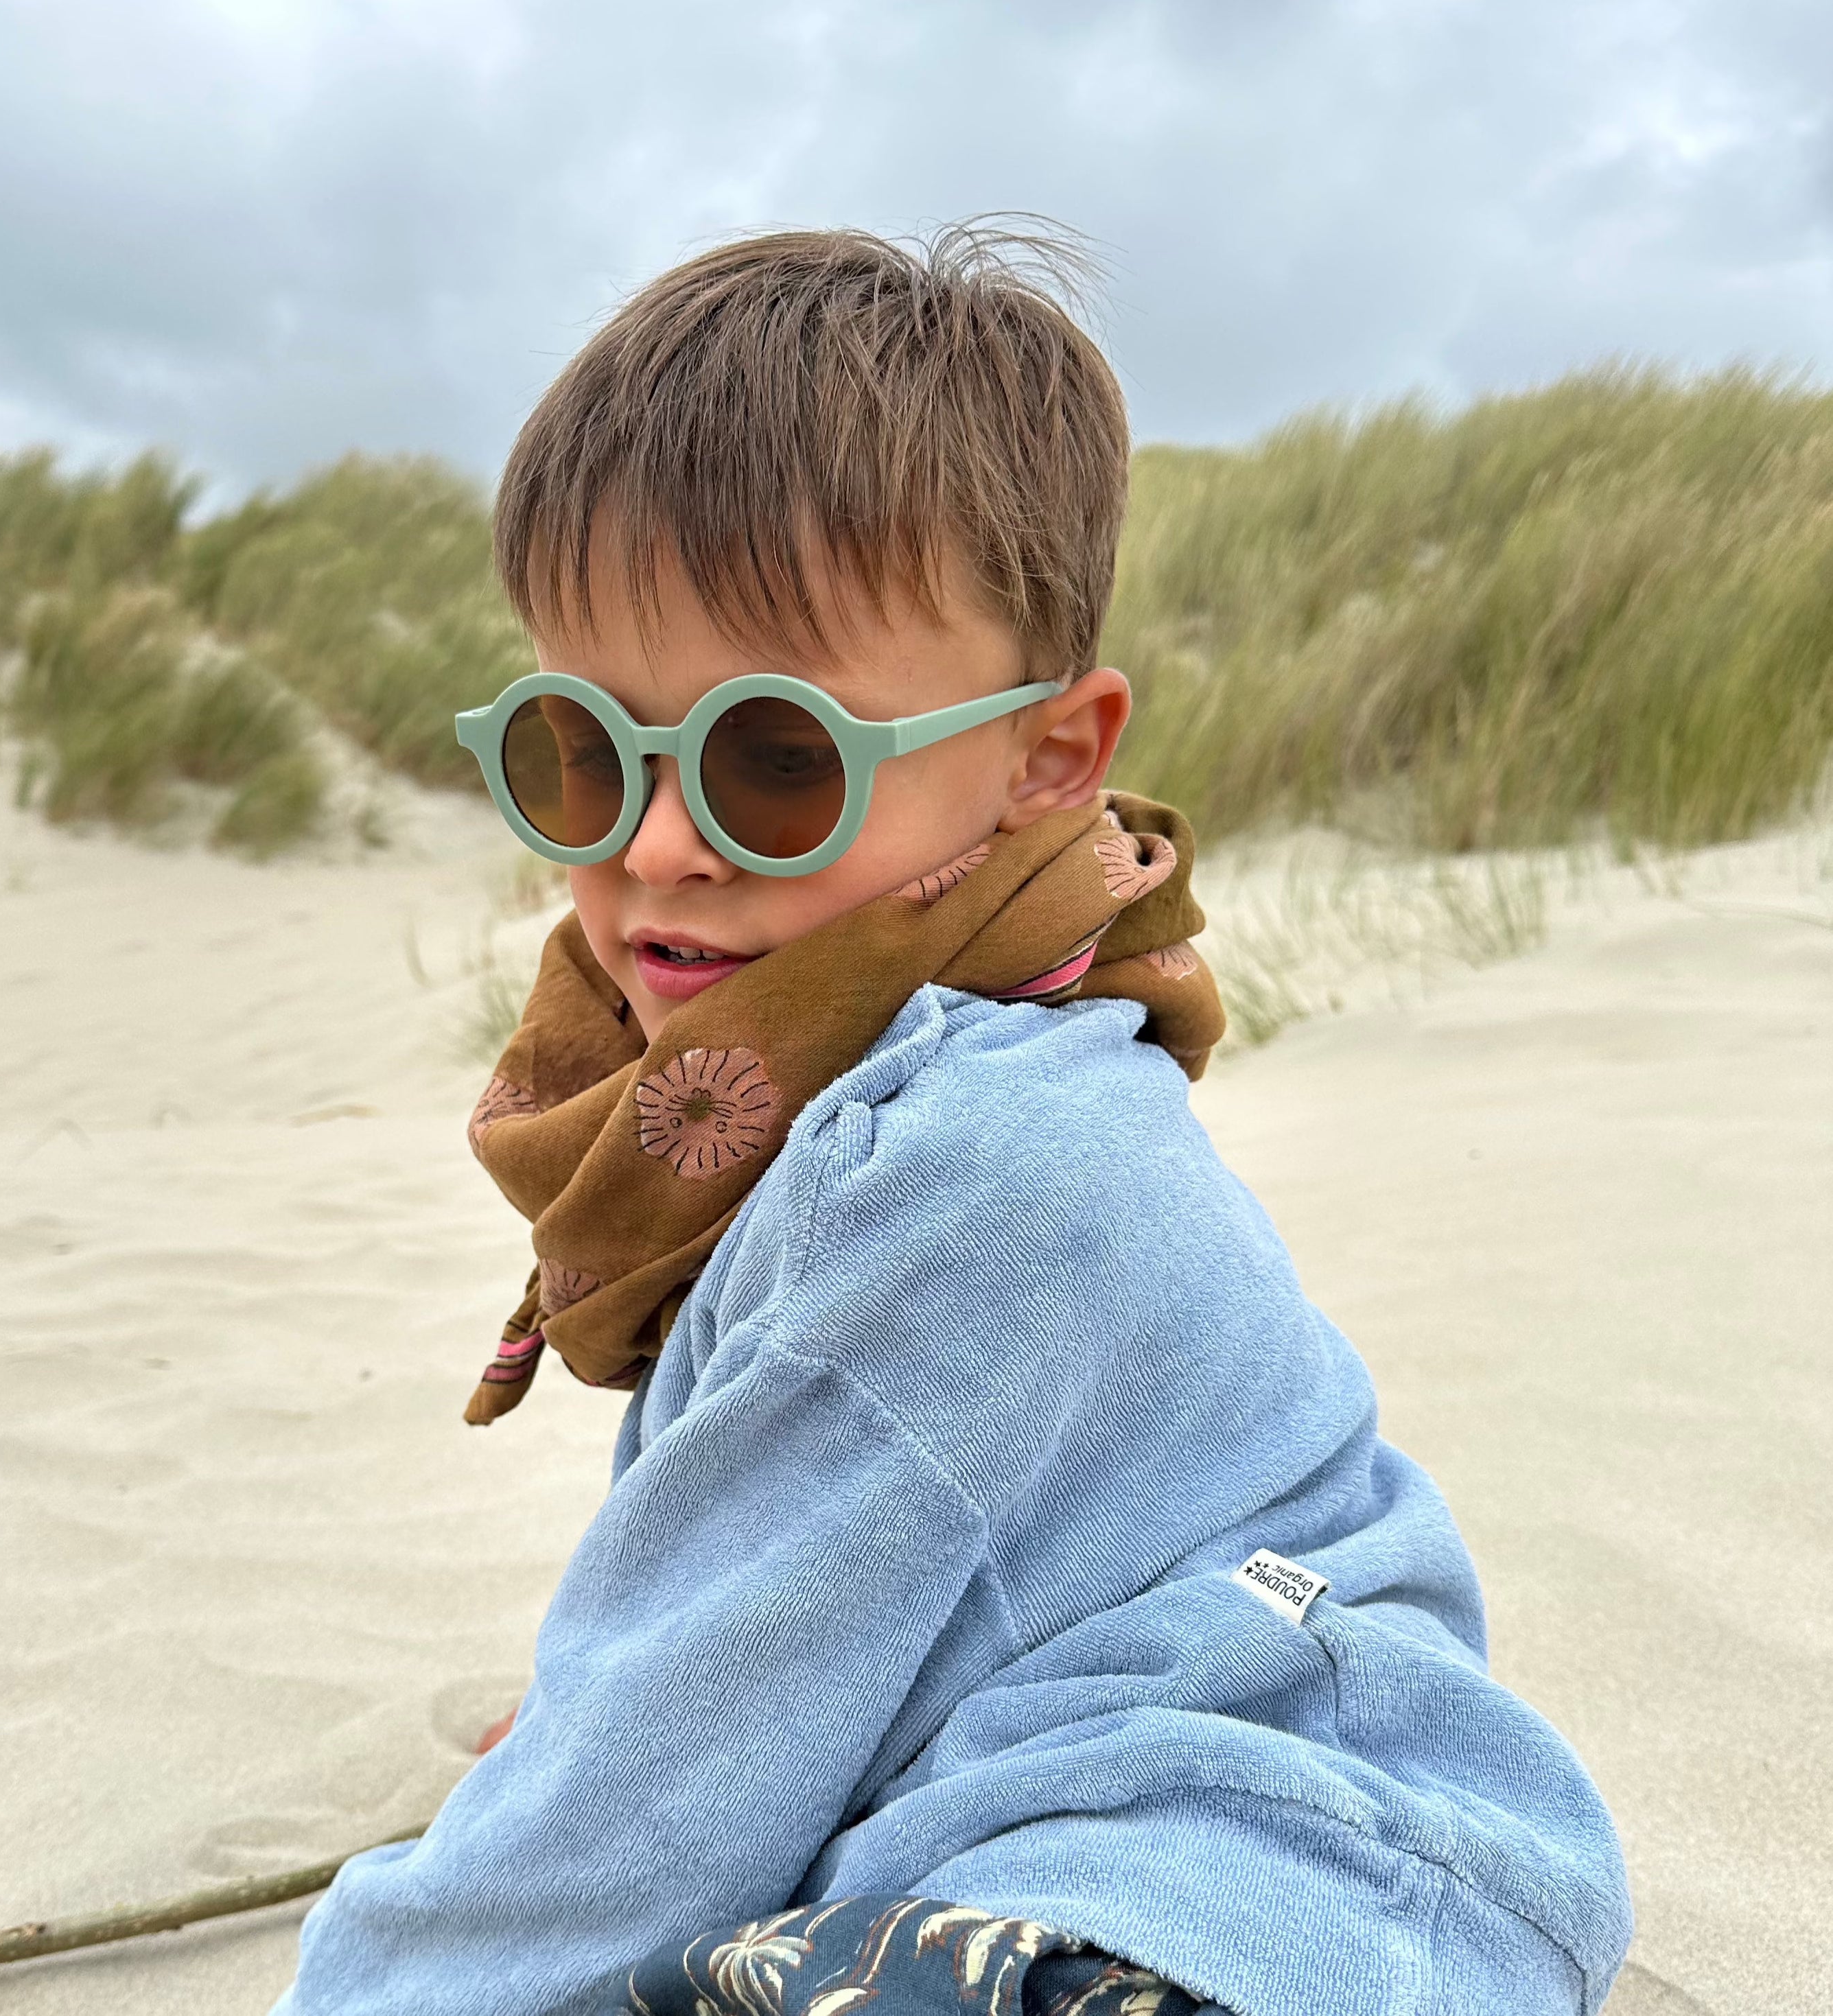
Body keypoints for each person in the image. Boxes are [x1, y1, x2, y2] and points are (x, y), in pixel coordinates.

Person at [274, 224, 1631, 2016]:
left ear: (1048, 758)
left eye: (777, 758)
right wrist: (628, 1700)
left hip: (1220, 1889)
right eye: (581, 752)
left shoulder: (940, 1169)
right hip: (1284, 1850)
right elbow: (801, 1606)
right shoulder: (975, 1056)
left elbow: (617, 1846)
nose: (656, 843)